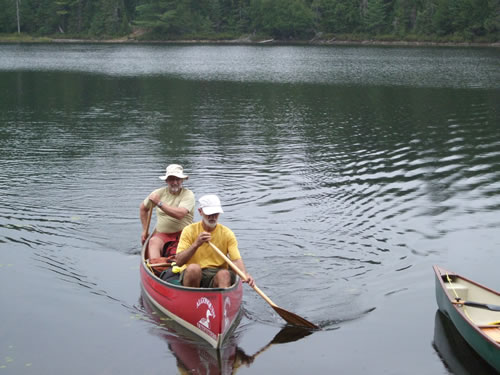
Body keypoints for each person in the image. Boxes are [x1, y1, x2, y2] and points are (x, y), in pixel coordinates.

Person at [175, 194, 255, 288]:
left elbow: (236, 259)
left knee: (224, 274)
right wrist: (196, 244)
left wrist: (244, 274)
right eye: (209, 213)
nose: (213, 217)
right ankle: (192, 299)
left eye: (216, 213)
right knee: (193, 269)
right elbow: (179, 262)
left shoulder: (227, 233)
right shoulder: (189, 230)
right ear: (200, 211)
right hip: (194, 274)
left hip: (217, 273)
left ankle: (221, 299)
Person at [140, 164, 195, 260]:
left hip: (183, 234)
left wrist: (159, 203)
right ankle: (156, 267)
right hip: (162, 235)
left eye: (177, 179)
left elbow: (180, 214)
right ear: (166, 181)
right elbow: (143, 208)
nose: (174, 182)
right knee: (152, 242)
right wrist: (145, 230)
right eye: (171, 179)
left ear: (182, 180)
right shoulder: (157, 193)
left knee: (180, 255)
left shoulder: (188, 194)